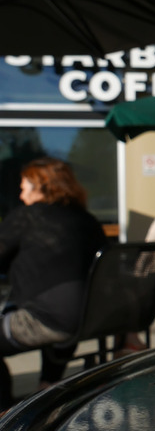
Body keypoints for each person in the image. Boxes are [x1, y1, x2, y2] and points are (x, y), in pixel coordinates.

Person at [0, 158, 107, 409]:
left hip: (49, 320)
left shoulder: (27, 217)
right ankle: (47, 385)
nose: (21, 193)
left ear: (42, 187)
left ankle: (5, 413)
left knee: (42, 312)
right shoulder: (87, 220)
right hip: (87, 318)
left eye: (24, 186)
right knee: (57, 307)